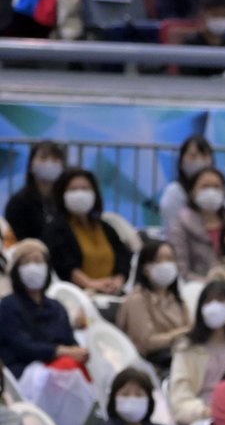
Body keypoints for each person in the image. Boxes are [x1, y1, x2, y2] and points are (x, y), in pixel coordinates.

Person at [0, 240, 85, 379]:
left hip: (63, 368)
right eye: (26, 262)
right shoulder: (8, 306)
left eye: (38, 261)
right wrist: (59, 351)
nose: (33, 267)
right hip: (27, 373)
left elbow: (70, 340)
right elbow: (23, 347)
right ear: (17, 269)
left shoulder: (56, 307)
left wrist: (78, 352)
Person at [42, 168, 130, 295]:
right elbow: (64, 265)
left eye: (85, 189)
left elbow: (123, 258)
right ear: (62, 194)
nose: (80, 194)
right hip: (78, 294)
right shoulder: (56, 229)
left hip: (113, 291)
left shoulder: (105, 227)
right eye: (73, 189)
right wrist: (91, 284)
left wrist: (118, 280)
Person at [168, 278, 225, 425]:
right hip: (203, 419)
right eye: (209, 301)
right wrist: (206, 411)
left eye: (220, 300)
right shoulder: (186, 349)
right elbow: (180, 400)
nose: (214, 306)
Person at [116, 238, 191, 370]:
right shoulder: (137, 300)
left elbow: (191, 330)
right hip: (153, 365)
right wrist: (180, 334)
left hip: (181, 357)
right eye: (158, 260)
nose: (166, 265)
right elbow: (146, 343)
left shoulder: (177, 299)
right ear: (145, 268)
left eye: (170, 259)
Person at [168, 165, 225, 279]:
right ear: (192, 192)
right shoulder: (180, 225)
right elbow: (181, 270)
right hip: (197, 287)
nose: (211, 192)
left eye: (217, 187)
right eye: (205, 186)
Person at [6, 141, 66, 243]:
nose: (49, 163)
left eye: (55, 159)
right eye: (43, 158)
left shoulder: (64, 200)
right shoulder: (19, 202)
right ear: (31, 165)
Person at [90, 369, 172, 425]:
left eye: (139, 395)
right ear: (113, 399)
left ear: (149, 400)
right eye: (125, 394)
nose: (132, 399)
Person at [179, 0, 225, 79]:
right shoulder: (191, 46)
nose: (219, 19)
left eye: (223, 15)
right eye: (215, 15)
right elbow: (188, 79)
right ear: (203, 14)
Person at [158, 136, 215, 231]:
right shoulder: (174, 191)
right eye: (193, 156)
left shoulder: (217, 190)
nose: (199, 161)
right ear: (182, 159)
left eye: (204, 156)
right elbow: (171, 227)